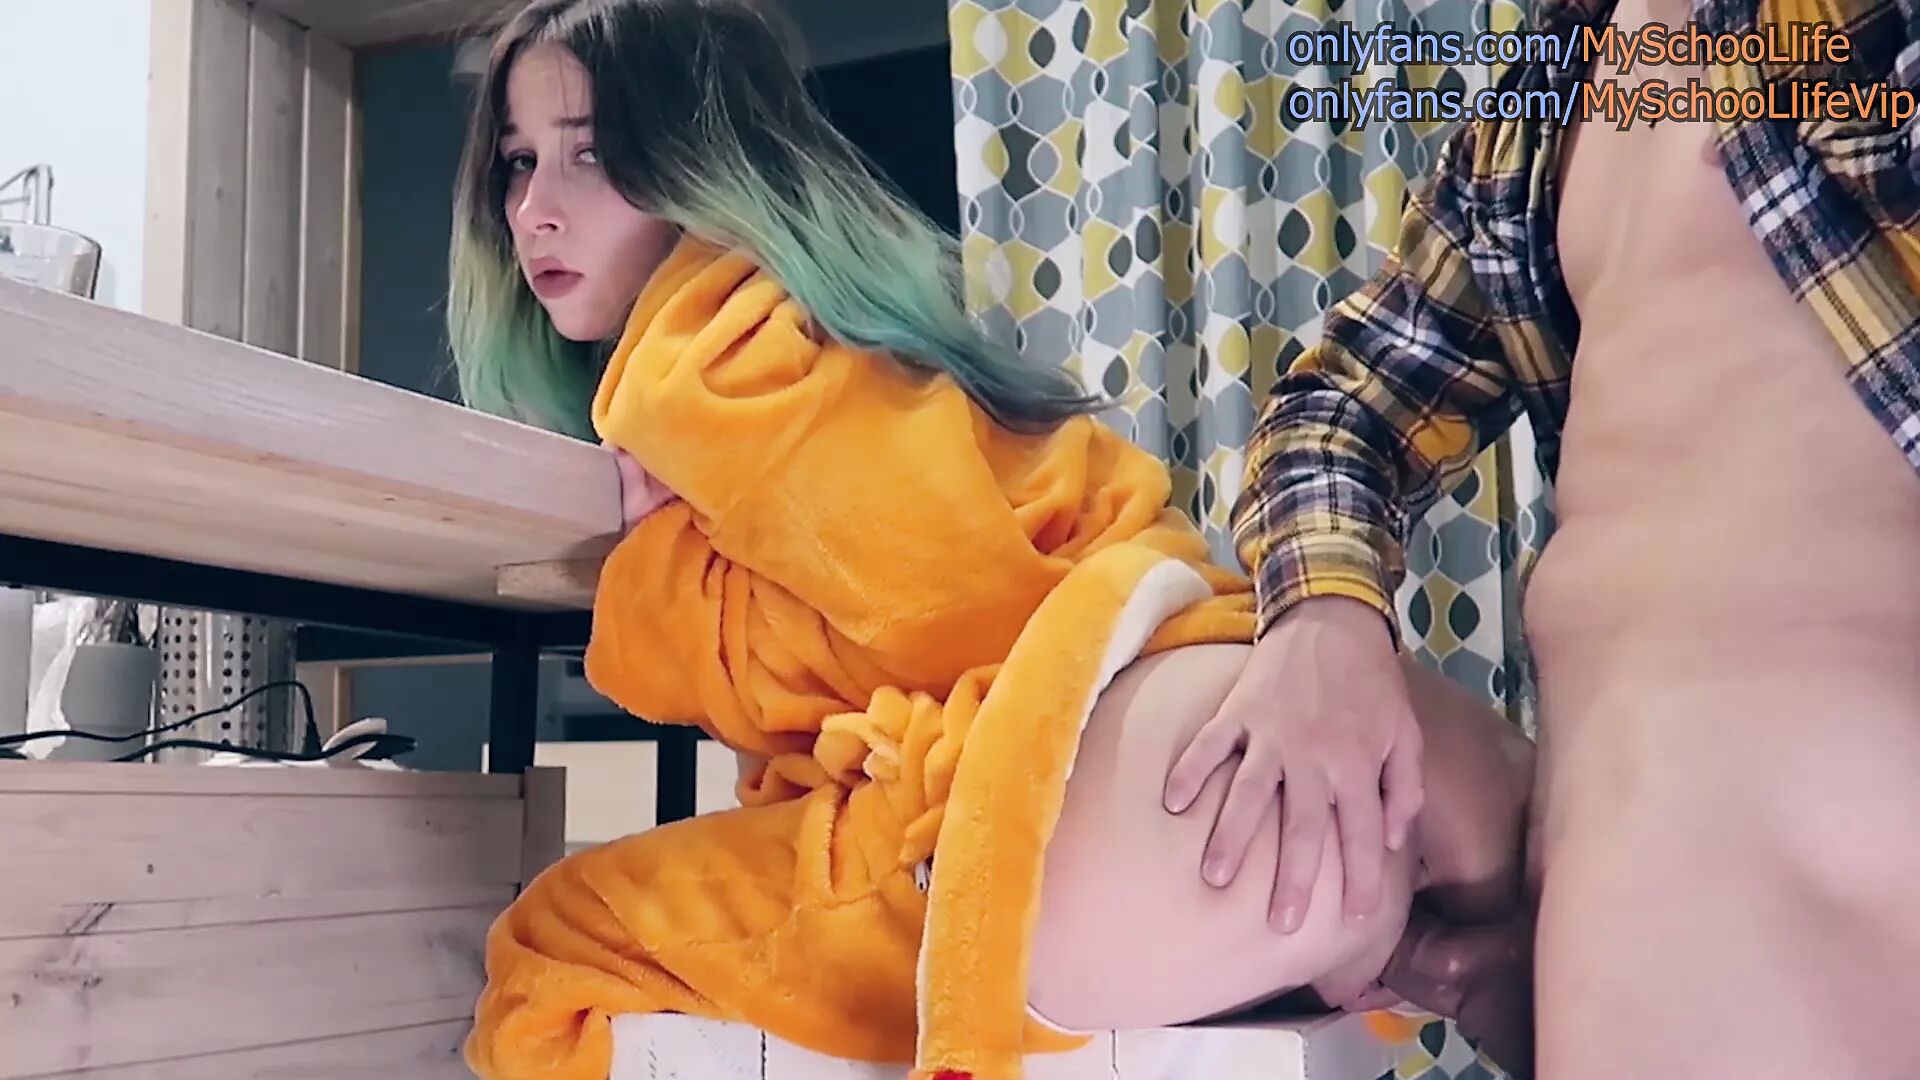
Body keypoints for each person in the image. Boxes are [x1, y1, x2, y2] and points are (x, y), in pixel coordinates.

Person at [444, 1, 1537, 1078]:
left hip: (1138, 793)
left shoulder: (700, 358)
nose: (535, 209)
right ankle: (1410, 947)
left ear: (707, 157)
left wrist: (659, 570)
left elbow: (948, 611)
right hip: (1338, 732)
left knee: (554, 952)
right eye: (518, 162)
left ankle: (1370, 939)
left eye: (592, 154)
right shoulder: (840, 322)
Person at [1214, 0, 1920, 1073]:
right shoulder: (1541, 109)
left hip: (1848, 896)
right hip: (1615, 913)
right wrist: (1321, 619)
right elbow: (1348, 405)